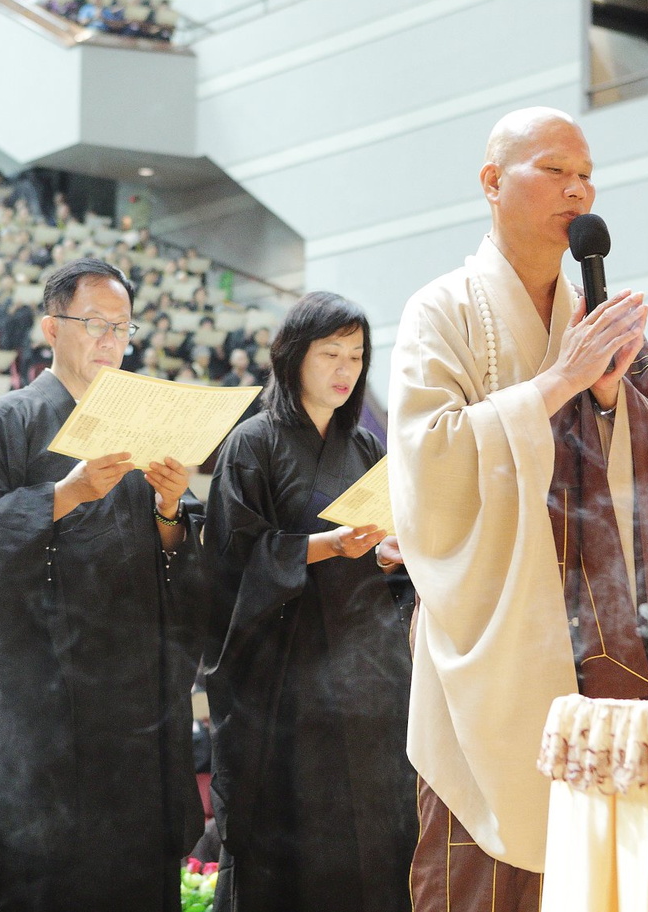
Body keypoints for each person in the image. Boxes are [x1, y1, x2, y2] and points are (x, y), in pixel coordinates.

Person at [386, 106, 648, 910]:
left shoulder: (595, 316)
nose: (578, 189)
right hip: (500, 642)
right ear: (492, 182)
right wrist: (559, 384)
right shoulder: (443, 311)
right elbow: (429, 463)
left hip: (611, 641)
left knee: (611, 871)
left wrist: (613, 400)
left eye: (586, 174)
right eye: (554, 170)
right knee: (483, 872)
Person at [0, 257, 205, 911]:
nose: (109, 340)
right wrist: (63, 495)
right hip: (37, 720)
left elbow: (180, 579)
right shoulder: (7, 422)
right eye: (94, 323)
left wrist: (173, 510)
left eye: (121, 327)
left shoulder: (146, 427)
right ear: (50, 328)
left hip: (134, 723)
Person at [204, 292, 415, 912]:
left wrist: (387, 556)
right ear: (293, 357)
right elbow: (230, 562)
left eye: (356, 355)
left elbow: (387, 569)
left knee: (378, 839)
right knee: (289, 851)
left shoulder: (368, 451)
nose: (345, 369)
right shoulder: (253, 444)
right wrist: (323, 548)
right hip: (287, 687)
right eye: (330, 353)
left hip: (369, 682)